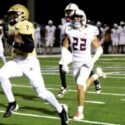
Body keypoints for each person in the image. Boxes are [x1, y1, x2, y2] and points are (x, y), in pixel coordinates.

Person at [0, 4, 69, 125]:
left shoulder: (25, 25)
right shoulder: (11, 26)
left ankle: (61, 110)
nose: (10, 17)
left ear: (22, 16)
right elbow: (10, 38)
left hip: (29, 62)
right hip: (16, 61)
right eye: (10, 15)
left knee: (42, 93)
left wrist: (14, 43)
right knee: (1, 75)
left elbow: (29, 47)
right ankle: (12, 103)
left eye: (13, 15)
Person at [61, 9, 106, 120]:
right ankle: (96, 76)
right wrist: (64, 63)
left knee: (80, 85)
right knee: (82, 89)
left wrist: (92, 61)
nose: (75, 20)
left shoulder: (91, 30)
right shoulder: (69, 29)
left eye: (78, 18)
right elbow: (64, 47)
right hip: (76, 63)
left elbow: (99, 49)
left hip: (86, 62)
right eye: (74, 18)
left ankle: (80, 113)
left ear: (83, 18)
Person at [57, 3, 102, 98]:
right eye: (67, 12)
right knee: (62, 64)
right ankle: (64, 87)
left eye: (70, 11)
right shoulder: (65, 24)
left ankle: (96, 80)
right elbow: (64, 39)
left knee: (85, 66)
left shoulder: (84, 25)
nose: (68, 14)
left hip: (80, 51)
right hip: (70, 49)